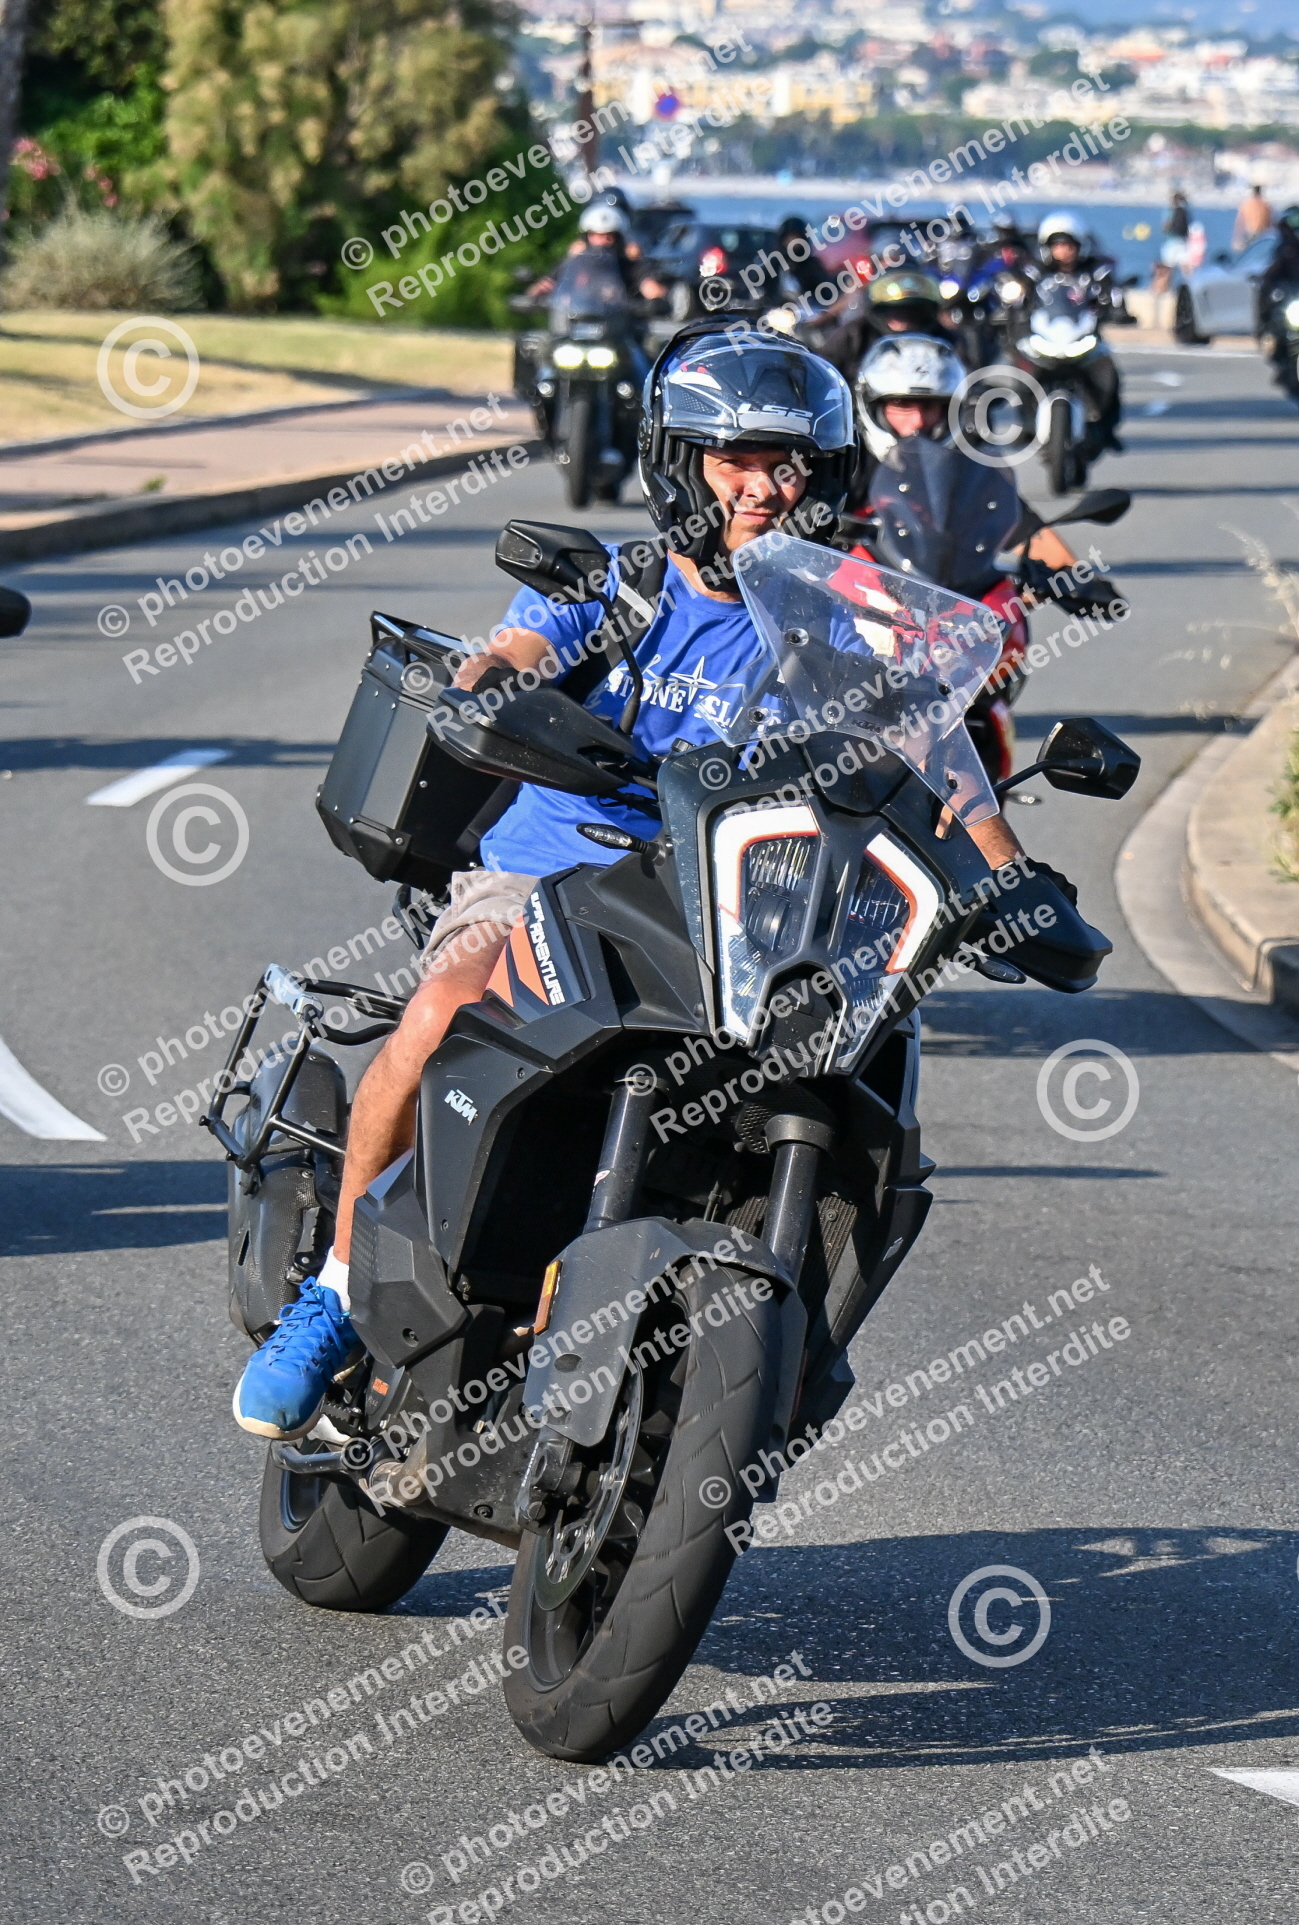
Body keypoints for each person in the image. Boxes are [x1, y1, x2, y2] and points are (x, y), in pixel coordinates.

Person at [231, 326, 1044, 1440]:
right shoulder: (619, 588)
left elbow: (945, 765)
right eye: (735, 459)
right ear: (682, 464)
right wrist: (491, 686)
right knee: (446, 1007)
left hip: (733, 910)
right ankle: (332, 1293)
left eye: (789, 464)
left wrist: (1015, 882)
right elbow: (514, 651)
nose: (765, 487)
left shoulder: (841, 619)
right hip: (553, 874)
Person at [1035, 211, 1123, 453]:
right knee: (1020, 374)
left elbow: (1112, 296)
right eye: (1057, 246)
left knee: (1110, 376)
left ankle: (1107, 428)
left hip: (1084, 337)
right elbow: (1017, 299)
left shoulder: (1096, 271)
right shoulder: (1035, 273)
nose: (1063, 251)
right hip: (1046, 338)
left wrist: (1117, 310)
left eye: (1069, 245)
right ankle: (1026, 422)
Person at [526, 203, 665, 303]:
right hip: (572, 322)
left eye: (608, 236)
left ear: (618, 238)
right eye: (595, 235)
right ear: (586, 237)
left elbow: (649, 286)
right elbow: (547, 284)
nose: (601, 241)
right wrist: (534, 294)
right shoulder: (573, 263)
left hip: (617, 325)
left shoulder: (628, 264)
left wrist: (656, 298)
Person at [1257, 205, 1299, 382]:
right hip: (1290, 298)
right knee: (1276, 323)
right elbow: (1272, 273)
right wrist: (1269, 284)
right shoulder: (1284, 250)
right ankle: (1278, 354)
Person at [1234, 182, 1273, 252]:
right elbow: (1271, 221)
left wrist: (1237, 238)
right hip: (1263, 234)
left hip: (1251, 233)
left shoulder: (1246, 205)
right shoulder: (1265, 205)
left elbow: (1240, 223)